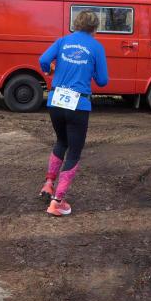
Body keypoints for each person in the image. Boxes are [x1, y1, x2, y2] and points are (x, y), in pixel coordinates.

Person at [37, 11, 108, 216]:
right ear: (95, 28)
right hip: (78, 104)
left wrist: (49, 70)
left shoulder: (62, 41)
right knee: (74, 152)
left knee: (61, 141)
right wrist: (91, 70)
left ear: (75, 24)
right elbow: (103, 81)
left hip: (56, 100)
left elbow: (43, 59)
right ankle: (57, 201)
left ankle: (49, 183)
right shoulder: (96, 47)